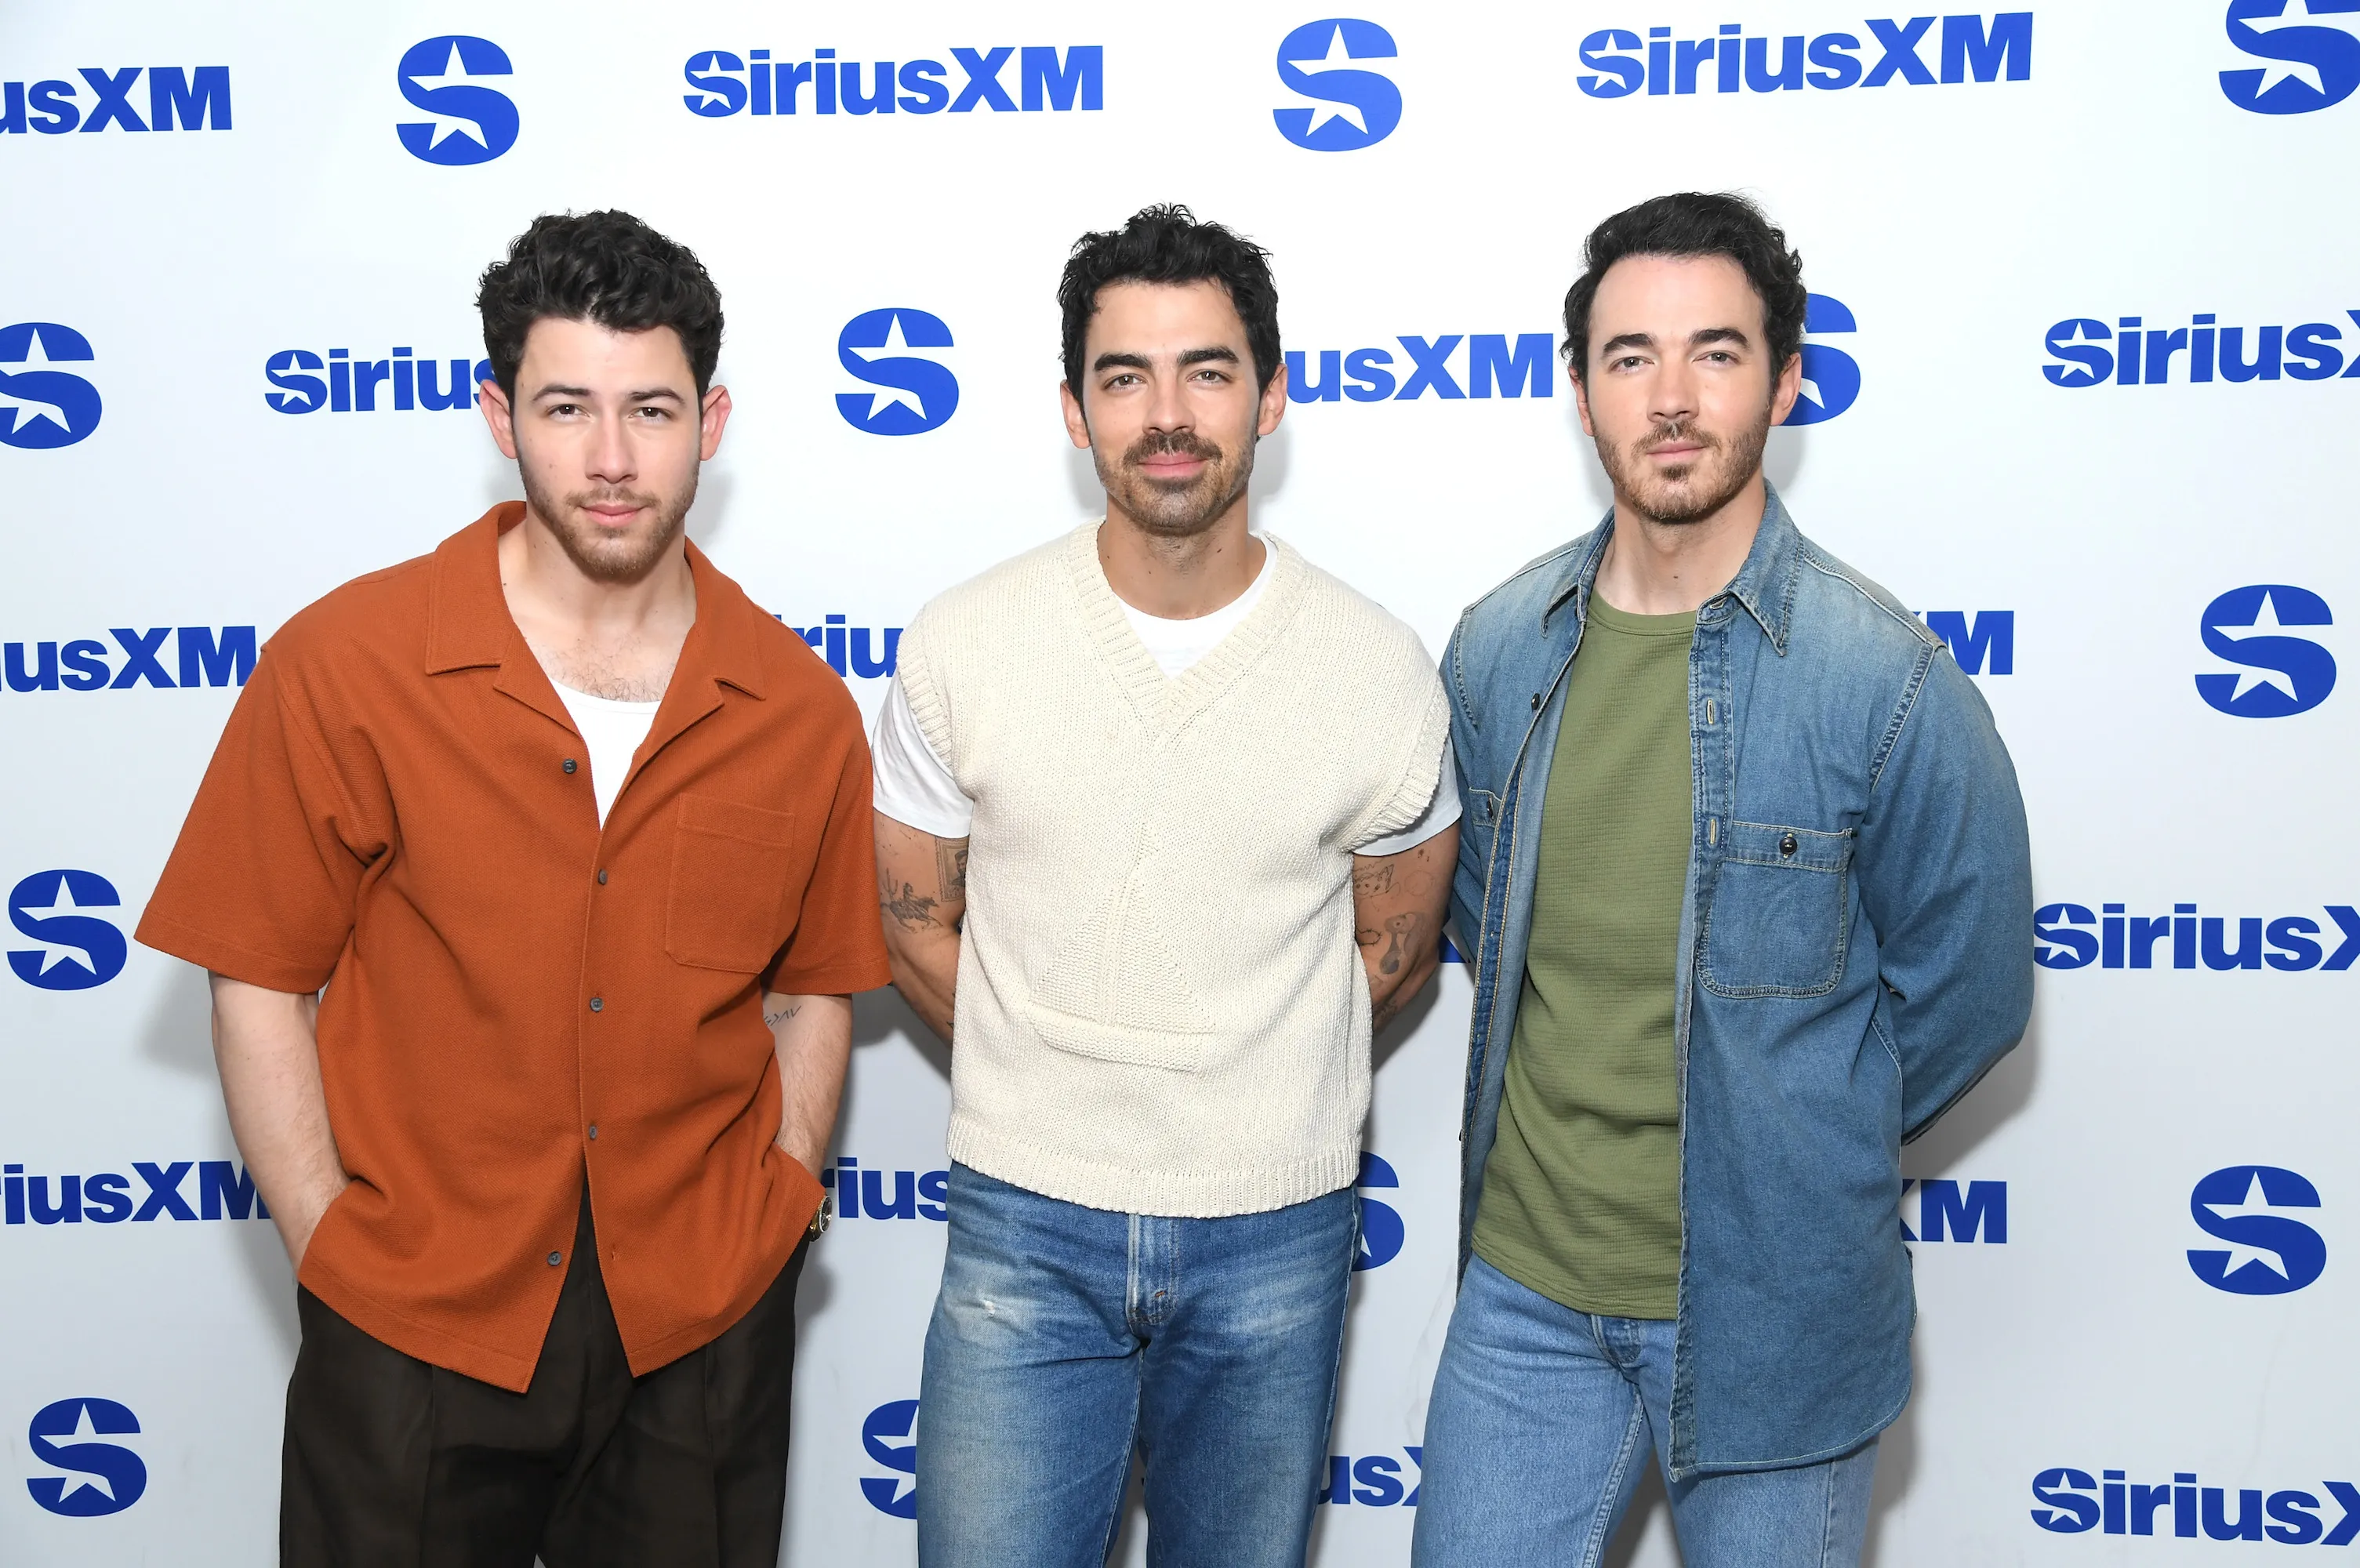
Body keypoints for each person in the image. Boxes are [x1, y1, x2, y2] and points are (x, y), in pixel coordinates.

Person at [135, 210, 890, 1567]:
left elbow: (812, 996)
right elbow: (254, 979)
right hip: (417, 1317)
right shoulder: (347, 665)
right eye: (567, 408)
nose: (612, 460)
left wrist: (778, 1199)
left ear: (712, 421)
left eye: (651, 409)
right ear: (498, 413)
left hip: (702, 1323)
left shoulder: (798, 707)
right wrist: (332, 1249)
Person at [1411, 192, 2033, 1567]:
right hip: (1523, 1300)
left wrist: (1804, 1126)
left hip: (1778, 1317)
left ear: (1787, 379)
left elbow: (1971, 989)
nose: (1672, 397)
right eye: (1630, 356)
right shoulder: (1501, 649)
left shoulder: (1884, 680)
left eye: (1717, 352)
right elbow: (1479, 918)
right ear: (1579, 392)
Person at [868, 204, 1459, 1568]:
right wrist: (1063, 1081)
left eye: (1205, 370)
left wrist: (1236, 1092)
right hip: (1024, 1221)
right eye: (1123, 376)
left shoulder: (1376, 669)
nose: (1168, 414)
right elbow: (914, 926)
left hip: (1275, 1234)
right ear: (1074, 413)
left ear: (1273, 394)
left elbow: (1395, 950)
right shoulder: (965, 642)